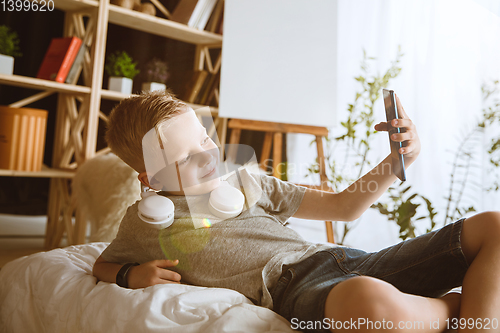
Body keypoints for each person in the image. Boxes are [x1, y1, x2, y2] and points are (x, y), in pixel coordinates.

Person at [93, 90, 500, 333]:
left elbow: (343, 207)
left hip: (343, 261)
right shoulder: (145, 223)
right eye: (187, 155)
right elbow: (102, 264)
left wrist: (397, 160)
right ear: (152, 179)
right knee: (368, 302)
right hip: (299, 290)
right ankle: (457, 309)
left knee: (493, 226)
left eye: (205, 138)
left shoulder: (248, 181)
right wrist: (130, 274)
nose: (209, 155)